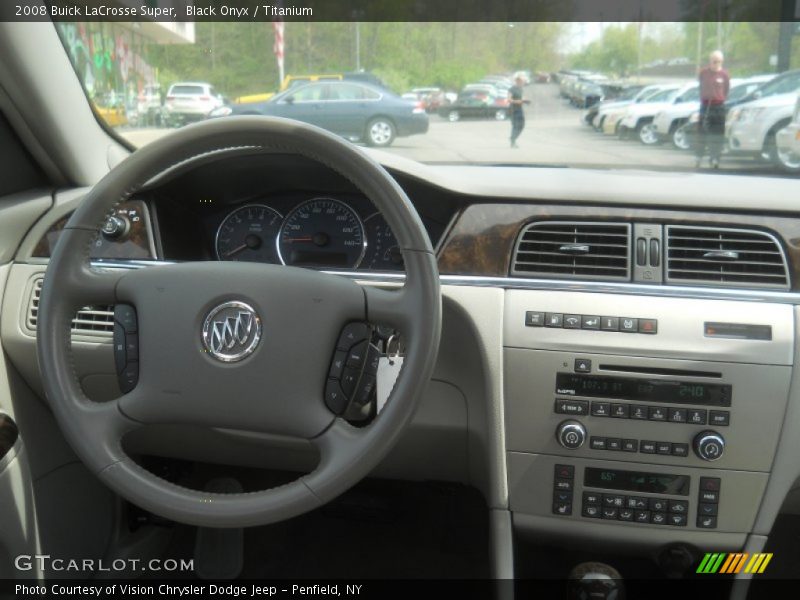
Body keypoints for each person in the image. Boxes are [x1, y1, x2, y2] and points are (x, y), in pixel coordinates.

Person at [695, 50, 730, 169]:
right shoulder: (704, 73)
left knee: (718, 135)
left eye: (719, 62)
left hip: (719, 107)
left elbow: (726, 90)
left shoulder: (724, 74)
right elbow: (700, 87)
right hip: (706, 106)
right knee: (702, 133)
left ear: (722, 62)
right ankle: (698, 157)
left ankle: (715, 158)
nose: (716, 64)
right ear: (710, 61)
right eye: (714, 61)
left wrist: (719, 99)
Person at [508, 74, 529, 148]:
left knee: (522, 125)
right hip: (513, 109)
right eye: (522, 81)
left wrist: (525, 101)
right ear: (517, 81)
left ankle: (513, 138)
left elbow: (522, 98)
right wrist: (518, 101)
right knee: (515, 125)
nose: (523, 83)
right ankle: (513, 141)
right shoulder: (512, 89)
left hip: (519, 109)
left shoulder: (521, 89)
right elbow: (509, 100)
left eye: (523, 81)